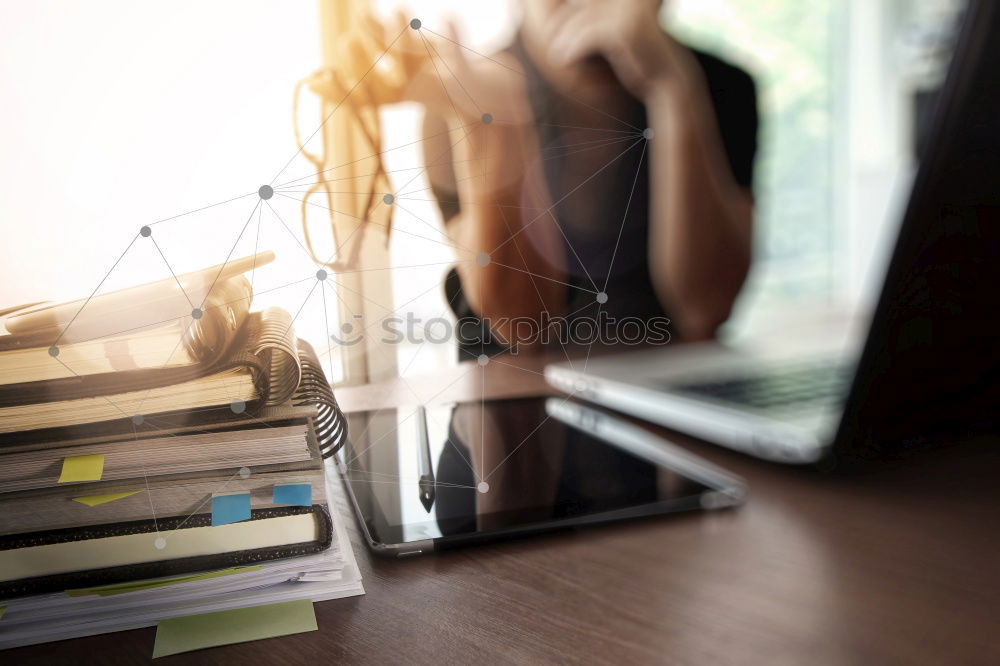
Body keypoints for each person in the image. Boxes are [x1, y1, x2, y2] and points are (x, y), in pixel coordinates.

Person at [367, 0, 758, 357]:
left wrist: (673, 91)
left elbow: (707, 307)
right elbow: (523, 326)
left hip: (676, 395)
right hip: (513, 409)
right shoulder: (467, 91)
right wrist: (493, 133)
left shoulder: (717, 88)